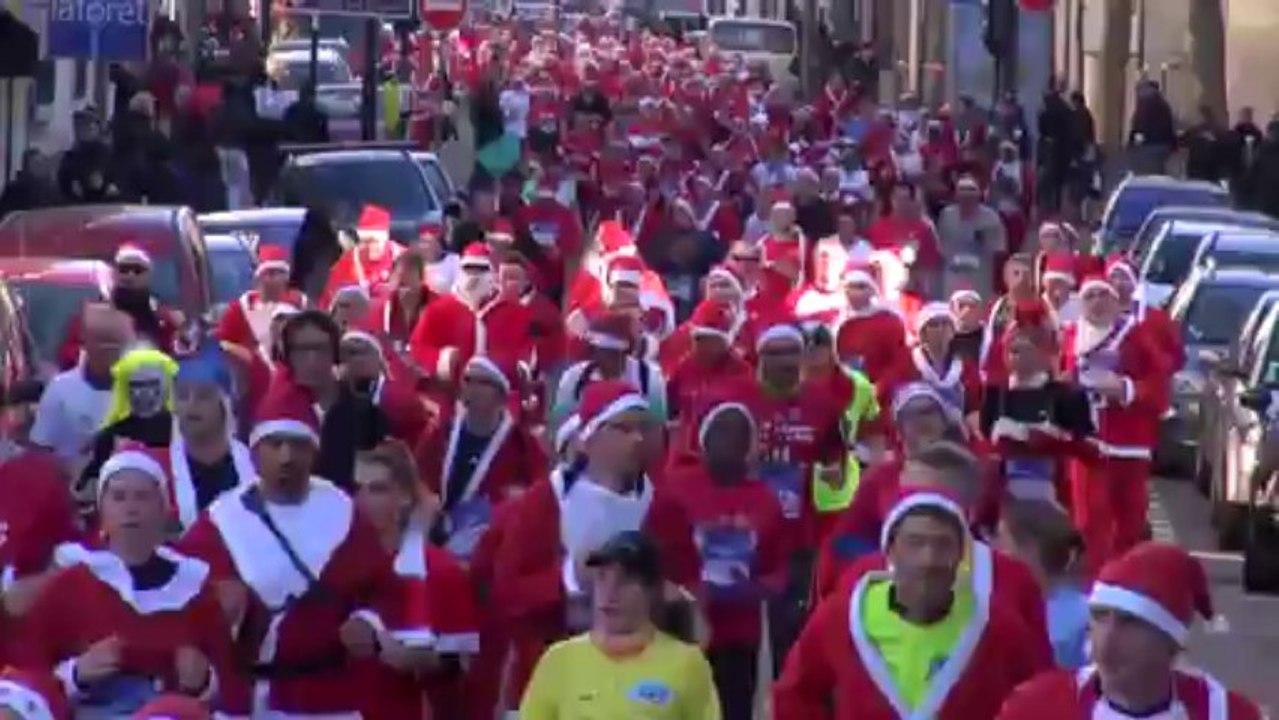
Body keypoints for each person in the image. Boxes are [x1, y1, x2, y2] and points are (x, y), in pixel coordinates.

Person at [177, 384, 399, 717]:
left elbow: (382, 589)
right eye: (274, 444)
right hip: (248, 699)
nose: (286, 457)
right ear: (255, 452)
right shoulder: (221, 522)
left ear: (314, 452)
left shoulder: (344, 513)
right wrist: (218, 609)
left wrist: (367, 622)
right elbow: (182, 598)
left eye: (297, 445)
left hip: (330, 697)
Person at [493, 380, 700, 707]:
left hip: (638, 681)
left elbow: (688, 583)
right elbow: (507, 591)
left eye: (642, 428)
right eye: (623, 429)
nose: (637, 439)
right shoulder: (547, 501)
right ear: (589, 438)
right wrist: (570, 578)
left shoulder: (662, 506)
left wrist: (669, 595)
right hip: (556, 675)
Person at [774, 488, 1044, 719]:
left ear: (962, 555)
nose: (929, 559)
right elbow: (794, 692)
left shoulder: (996, 626)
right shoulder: (842, 617)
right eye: (916, 543)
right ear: (890, 550)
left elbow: (1041, 699)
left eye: (943, 545)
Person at [17, 445, 239, 716]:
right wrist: (75, 674)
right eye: (119, 497)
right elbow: (27, 678)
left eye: (142, 497)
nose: (130, 508)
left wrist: (204, 681)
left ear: (163, 509)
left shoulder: (195, 590)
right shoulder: (70, 584)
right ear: (102, 510)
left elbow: (230, 686)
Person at [997, 542, 1264, 720]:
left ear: (1171, 642)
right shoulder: (1035, 708)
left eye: (1130, 622)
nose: (1107, 640)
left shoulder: (1224, 713)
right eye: (1100, 617)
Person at [667, 392, 786, 720]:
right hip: (681, 631)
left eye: (739, 435)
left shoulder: (766, 500)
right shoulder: (675, 489)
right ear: (704, 440)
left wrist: (751, 590)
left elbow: (779, 573)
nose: (730, 443)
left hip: (739, 635)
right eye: (722, 433)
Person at [518, 531, 720, 720]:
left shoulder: (686, 663)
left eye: (624, 581)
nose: (610, 592)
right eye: (602, 578)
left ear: (651, 591)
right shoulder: (559, 660)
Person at [351, 441, 480, 720]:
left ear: (406, 497)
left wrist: (422, 660)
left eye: (378, 489)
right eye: (358, 489)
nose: (363, 500)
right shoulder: (334, 565)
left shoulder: (441, 570)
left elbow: (463, 662)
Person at [1062, 273, 1169, 572]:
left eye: (1103, 296)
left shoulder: (1136, 336)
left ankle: (1124, 581)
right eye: (1090, 297)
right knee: (1090, 522)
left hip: (1130, 445)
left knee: (1129, 521)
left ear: (1115, 302)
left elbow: (1159, 388)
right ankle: (1098, 587)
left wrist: (1125, 389)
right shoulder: (1071, 336)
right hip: (1087, 446)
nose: (1097, 304)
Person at [416, 355, 545, 563]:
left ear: (502, 396)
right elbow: (416, 478)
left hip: (490, 550)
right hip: (434, 538)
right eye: (468, 379)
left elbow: (538, 496)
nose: (472, 387)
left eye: (483, 382)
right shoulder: (440, 433)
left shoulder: (521, 445)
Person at [981, 304, 1093, 504]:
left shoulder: (1066, 395)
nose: (1015, 356)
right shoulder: (994, 395)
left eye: (1024, 349)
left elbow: (1087, 449)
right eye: (1012, 350)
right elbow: (985, 442)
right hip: (1006, 500)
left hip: (1055, 498)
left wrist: (1052, 442)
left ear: (1043, 355)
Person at [409, 243, 533, 387]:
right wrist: (443, 360)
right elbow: (418, 348)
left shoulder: (514, 312)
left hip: (498, 395)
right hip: (451, 393)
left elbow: (526, 352)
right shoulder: (439, 310)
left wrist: (512, 368)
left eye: (481, 269)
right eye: (468, 269)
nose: (474, 276)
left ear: (493, 274)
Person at [31, 304, 130, 474]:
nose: (107, 351)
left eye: (114, 344)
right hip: (72, 489)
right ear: (86, 343)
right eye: (100, 342)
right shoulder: (61, 389)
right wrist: (69, 467)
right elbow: (40, 450)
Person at [168, 343, 255, 531]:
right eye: (183, 396)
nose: (192, 404)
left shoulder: (255, 466)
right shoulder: (160, 468)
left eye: (203, 396)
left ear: (224, 404)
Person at [996, 499, 1090, 669]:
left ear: (1031, 549)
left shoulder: (1023, 619)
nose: (996, 552)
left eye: (1003, 544)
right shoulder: (1089, 608)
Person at [79, 347, 179, 504]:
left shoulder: (183, 431)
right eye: (137, 386)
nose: (144, 392)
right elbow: (88, 488)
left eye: (151, 384)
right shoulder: (111, 435)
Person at [61, 245, 184, 363]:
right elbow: (69, 356)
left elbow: (179, 355)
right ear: (114, 274)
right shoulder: (93, 318)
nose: (130, 275)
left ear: (148, 276)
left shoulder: (164, 320)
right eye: (124, 269)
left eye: (137, 270)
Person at [553, 311, 667, 431]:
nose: (606, 358)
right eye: (602, 351)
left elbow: (657, 427)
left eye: (614, 354)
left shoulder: (650, 377)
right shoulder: (573, 378)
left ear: (626, 352)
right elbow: (559, 428)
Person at [216, 245, 306, 361]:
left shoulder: (300, 304)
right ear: (258, 278)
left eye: (280, 273)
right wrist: (248, 357)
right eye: (270, 274)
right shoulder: (241, 308)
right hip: (255, 377)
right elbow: (224, 342)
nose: (276, 279)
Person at [321, 206, 406, 308]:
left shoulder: (400, 256)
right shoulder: (346, 259)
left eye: (375, 241)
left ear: (387, 237)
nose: (370, 247)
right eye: (365, 242)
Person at [937, 176, 1008, 299]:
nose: (966, 196)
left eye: (971, 191)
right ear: (956, 196)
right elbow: (940, 246)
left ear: (979, 195)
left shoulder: (991, 218)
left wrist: (984, 240)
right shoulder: (947, 216)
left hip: (980, 275)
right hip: (953, 275)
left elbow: (1000, 250)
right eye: (962, 191)